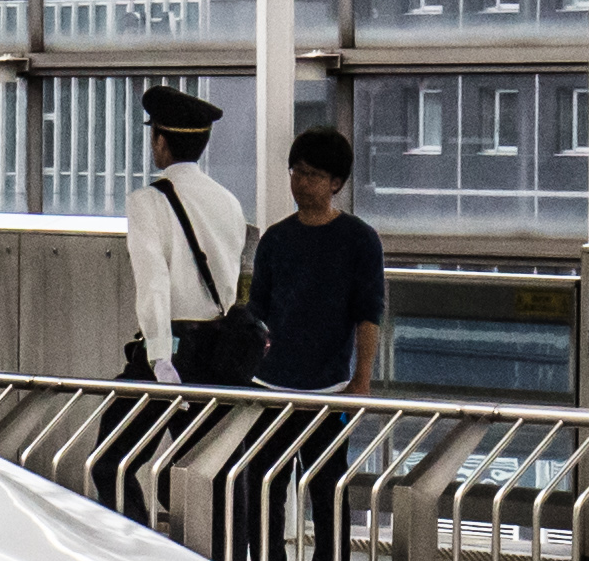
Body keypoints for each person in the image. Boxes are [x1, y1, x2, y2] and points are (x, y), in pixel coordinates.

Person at [116, 85, 254, 385]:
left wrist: (160, 357)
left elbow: (153, 280)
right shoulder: (229, 201)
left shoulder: (146, 201)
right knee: (201, 434)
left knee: (119, 428)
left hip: (174, 349)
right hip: (217, 351)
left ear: (160, 140)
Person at [250, 124, 388, 396]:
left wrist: (361, 380)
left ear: (336, 182)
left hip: (330, 386)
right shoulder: (275, 238)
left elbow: (369, 315)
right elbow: (258, 308)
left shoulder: (360, 239)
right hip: (267, 383)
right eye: (297, 172)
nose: (301, 183)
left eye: (313, 175)